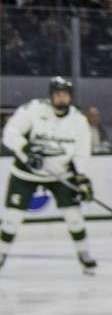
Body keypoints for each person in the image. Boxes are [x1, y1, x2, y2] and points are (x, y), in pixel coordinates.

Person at [1, 76, 99, 276]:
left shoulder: (78, 121)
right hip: (26, 173)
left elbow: (81, 152)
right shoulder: (33, 110)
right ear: (51, 96)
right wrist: (26, 149)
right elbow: (10, 133)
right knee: (12, 218)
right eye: (57, 94)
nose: (61, 98)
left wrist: (81, 178)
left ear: (70, 97)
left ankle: (84, 253)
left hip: (60, 174)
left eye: (65, 94)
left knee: (74, 217)